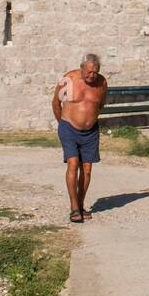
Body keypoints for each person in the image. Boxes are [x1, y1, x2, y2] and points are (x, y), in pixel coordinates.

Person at [51, 55, 108, 223]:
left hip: (90, 132)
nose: (92, 75)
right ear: (81, 68)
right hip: (69, 128)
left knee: (87, 169)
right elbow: (55, 103)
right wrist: (62, 124)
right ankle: (74, 208)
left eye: (95, 72)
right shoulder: (68, 79)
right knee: (73, 164)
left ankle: (81, 205)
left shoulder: (102, 83)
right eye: (89, 71)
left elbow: (100, 104)